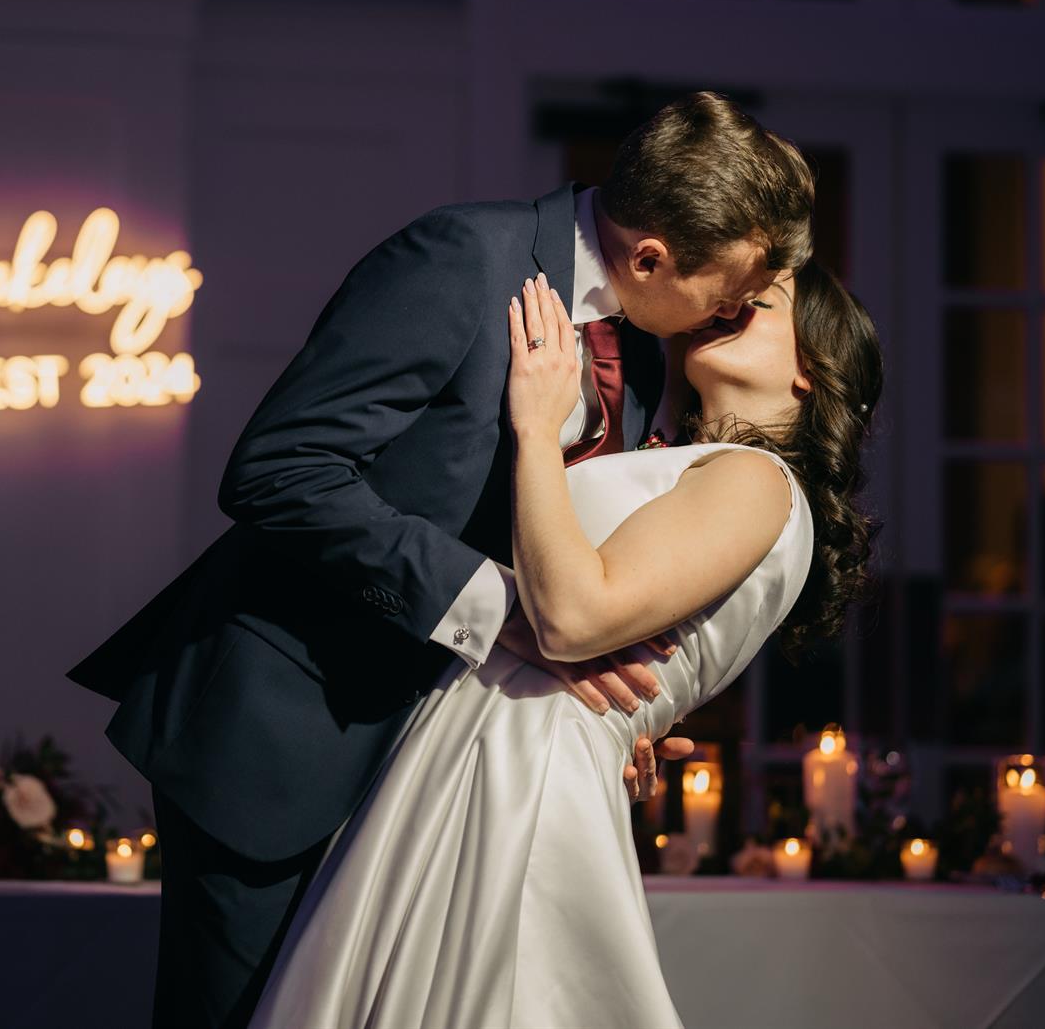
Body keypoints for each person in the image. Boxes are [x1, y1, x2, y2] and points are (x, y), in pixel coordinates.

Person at [68, 93, 815, 1028]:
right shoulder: (462, 259)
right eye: (731, 290)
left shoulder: (652, 352)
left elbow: (565, 543)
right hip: (291, 731)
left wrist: (608, 715)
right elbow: (278, 468)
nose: (735, 309)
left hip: (435, 776)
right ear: (651, 258)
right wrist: (497, 610)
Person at [250, 261, 883, 1028]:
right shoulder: (701, 467)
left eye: (761, 302)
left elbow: (573, 617)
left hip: (529, 762)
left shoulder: (759, 479)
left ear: (812, 370)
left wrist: (536, 425)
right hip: (486, 743)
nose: (730, 305)